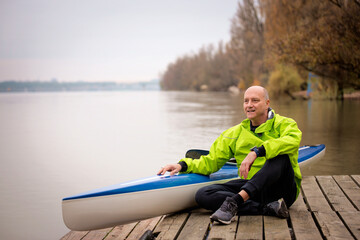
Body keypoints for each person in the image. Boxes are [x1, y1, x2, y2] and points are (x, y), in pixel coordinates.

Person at [157, 86, 302, 224]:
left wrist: (257, 152)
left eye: (255, 100)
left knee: (281, 156)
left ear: (267, 103)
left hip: (283, 191)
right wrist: (182, 165)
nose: (249, 105)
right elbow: (211, 161)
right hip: (253, 189)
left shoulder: (285, 124)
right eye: (246, 101)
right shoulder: (234, 133)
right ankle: (266, 209)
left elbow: (292, 141)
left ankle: (235, 203)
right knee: (203, 194)